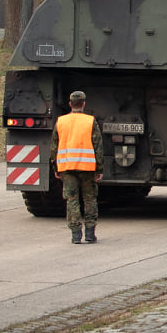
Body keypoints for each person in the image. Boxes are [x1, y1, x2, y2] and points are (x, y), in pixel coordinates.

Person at [51, 89, 104, 244]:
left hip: (67, 167)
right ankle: (89, 233)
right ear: (83, 104)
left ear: (70, 104)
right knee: (90, 199)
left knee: (72, 200)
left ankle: (75, 234)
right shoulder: (90, 121)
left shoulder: (61, 121)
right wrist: (99, 169)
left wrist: (56, 168)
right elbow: (98, 146)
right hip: (87, 168)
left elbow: (54, 147)